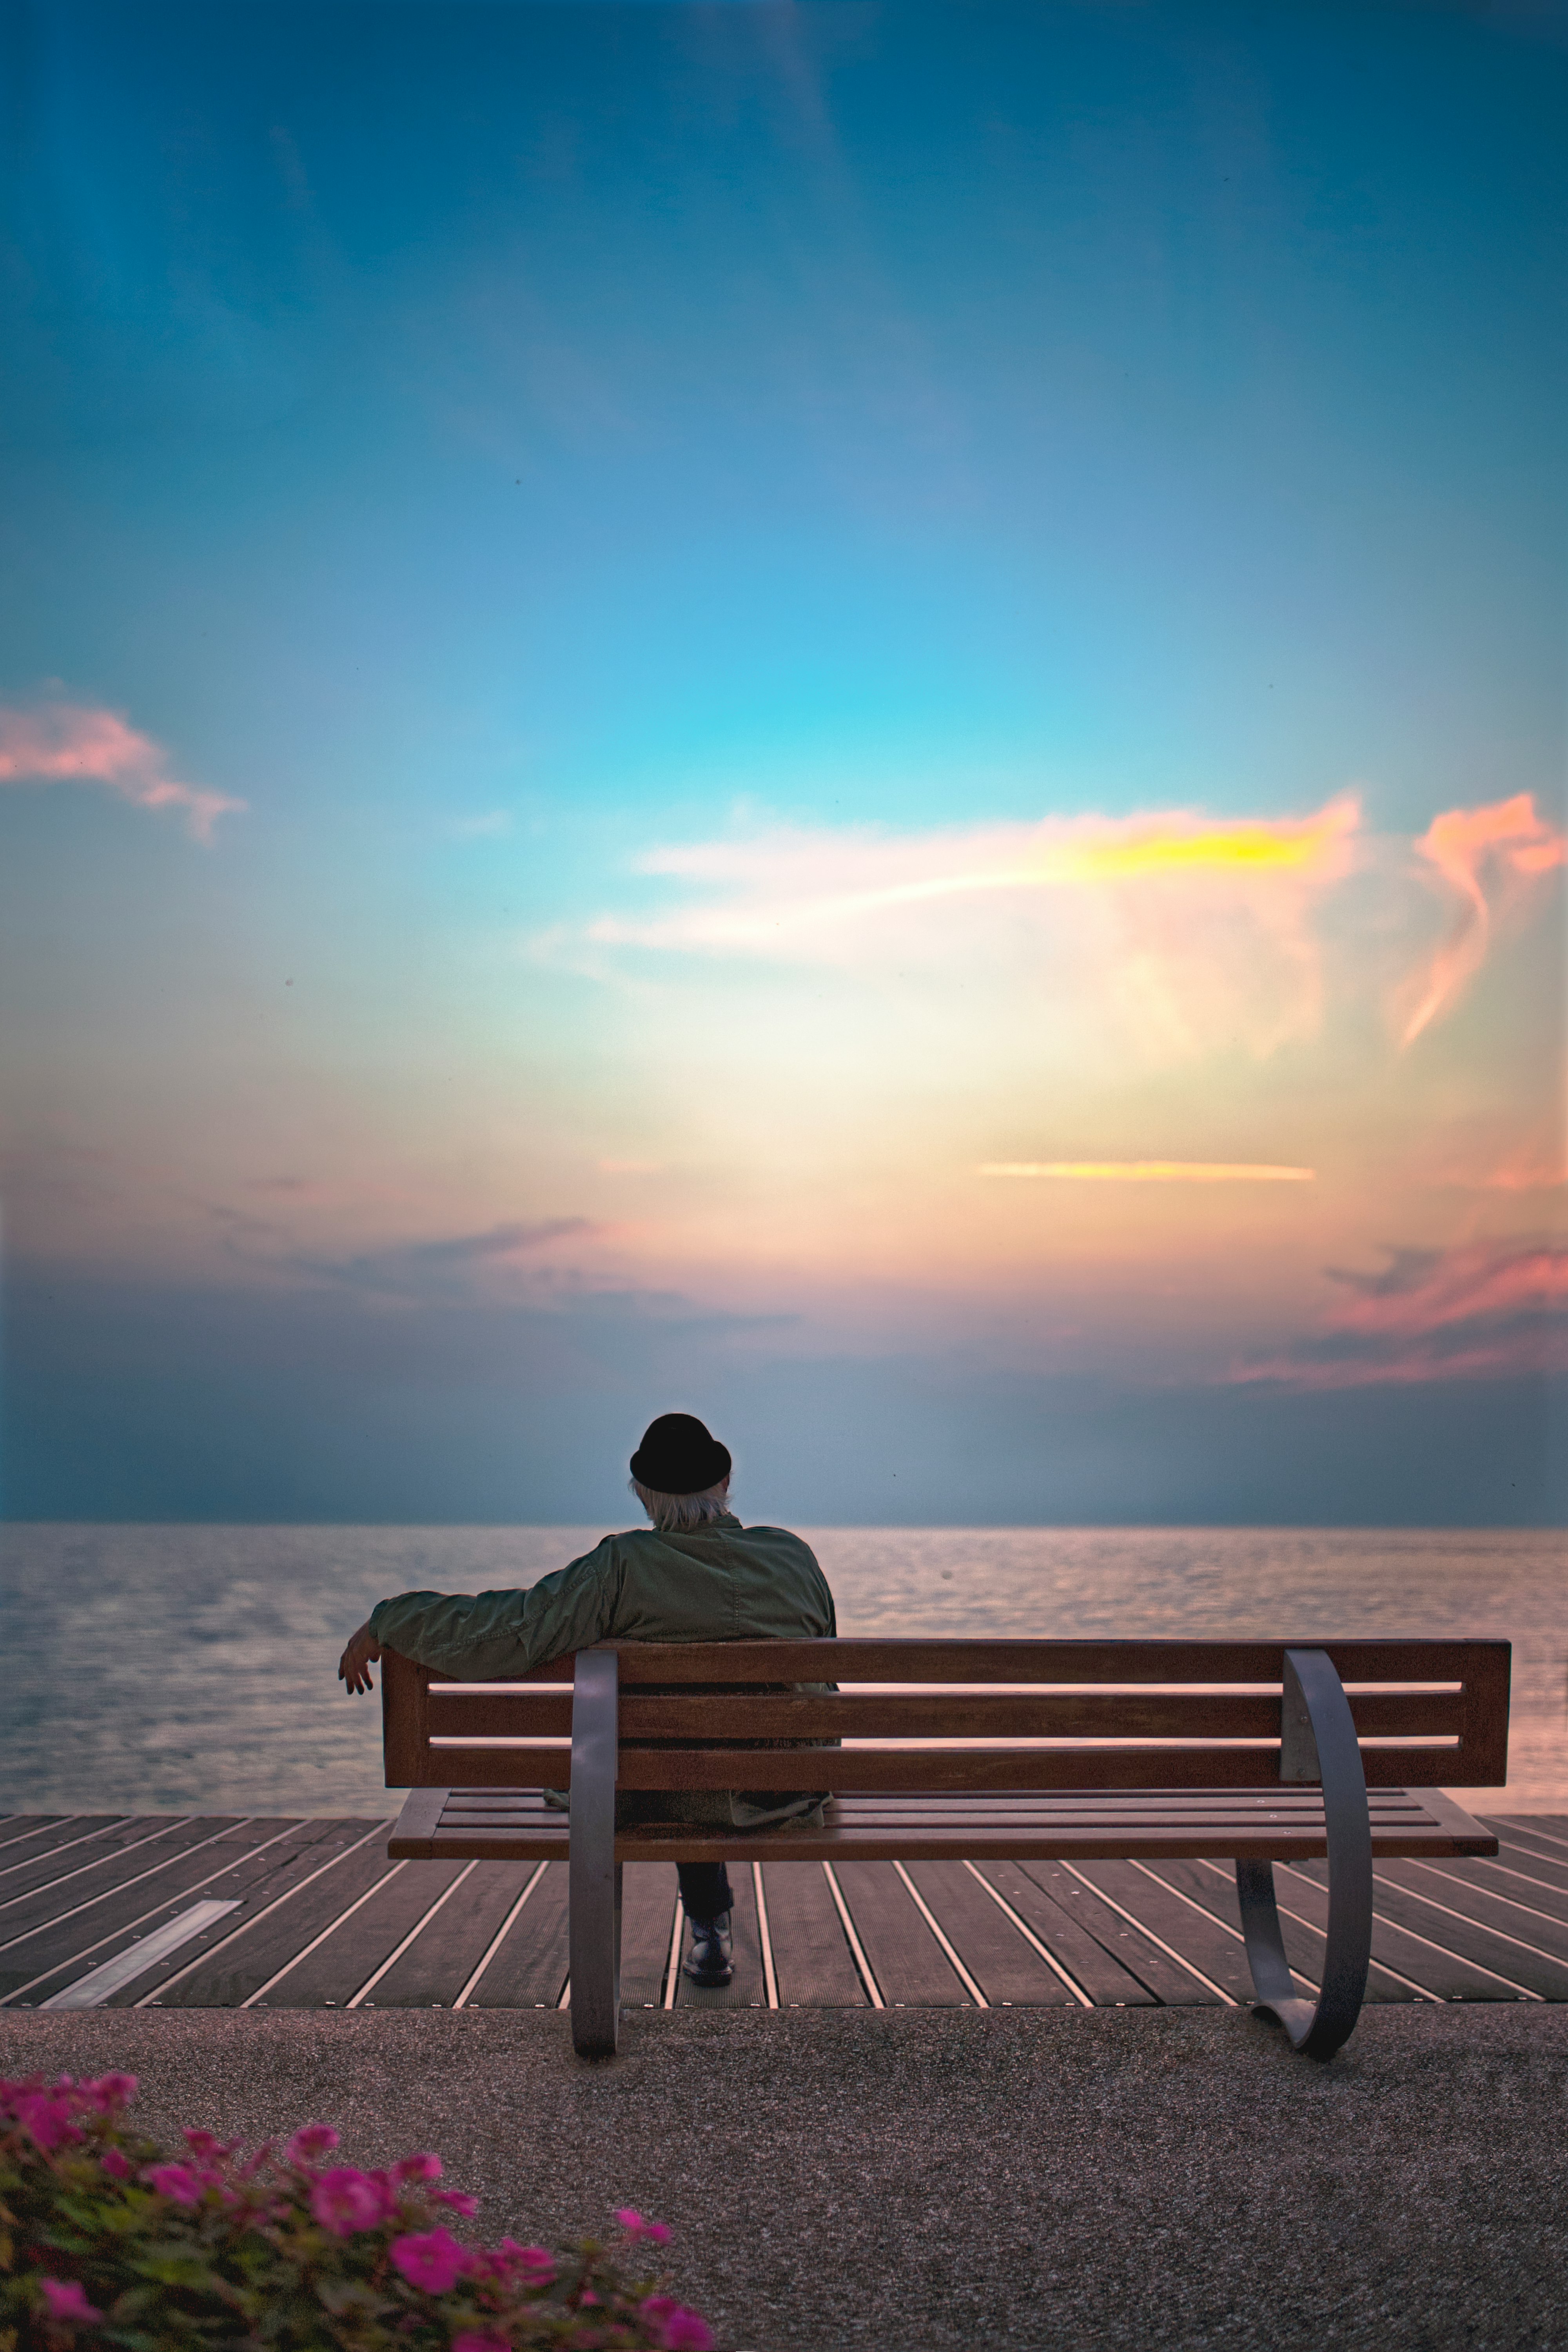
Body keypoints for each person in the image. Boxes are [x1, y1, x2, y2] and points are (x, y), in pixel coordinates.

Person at [338, 1412, 836, 1988]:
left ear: (645, 1497)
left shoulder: (621, 1567)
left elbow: (505, 1633)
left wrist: (393, 1620)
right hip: (784, 1791)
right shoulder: (792, 1557)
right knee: (699, 1754)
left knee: (652, 1766)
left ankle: (666, 1947)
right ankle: (711, 1927)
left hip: (650, 1792)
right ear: (723, 1484)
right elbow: (823, 1675)